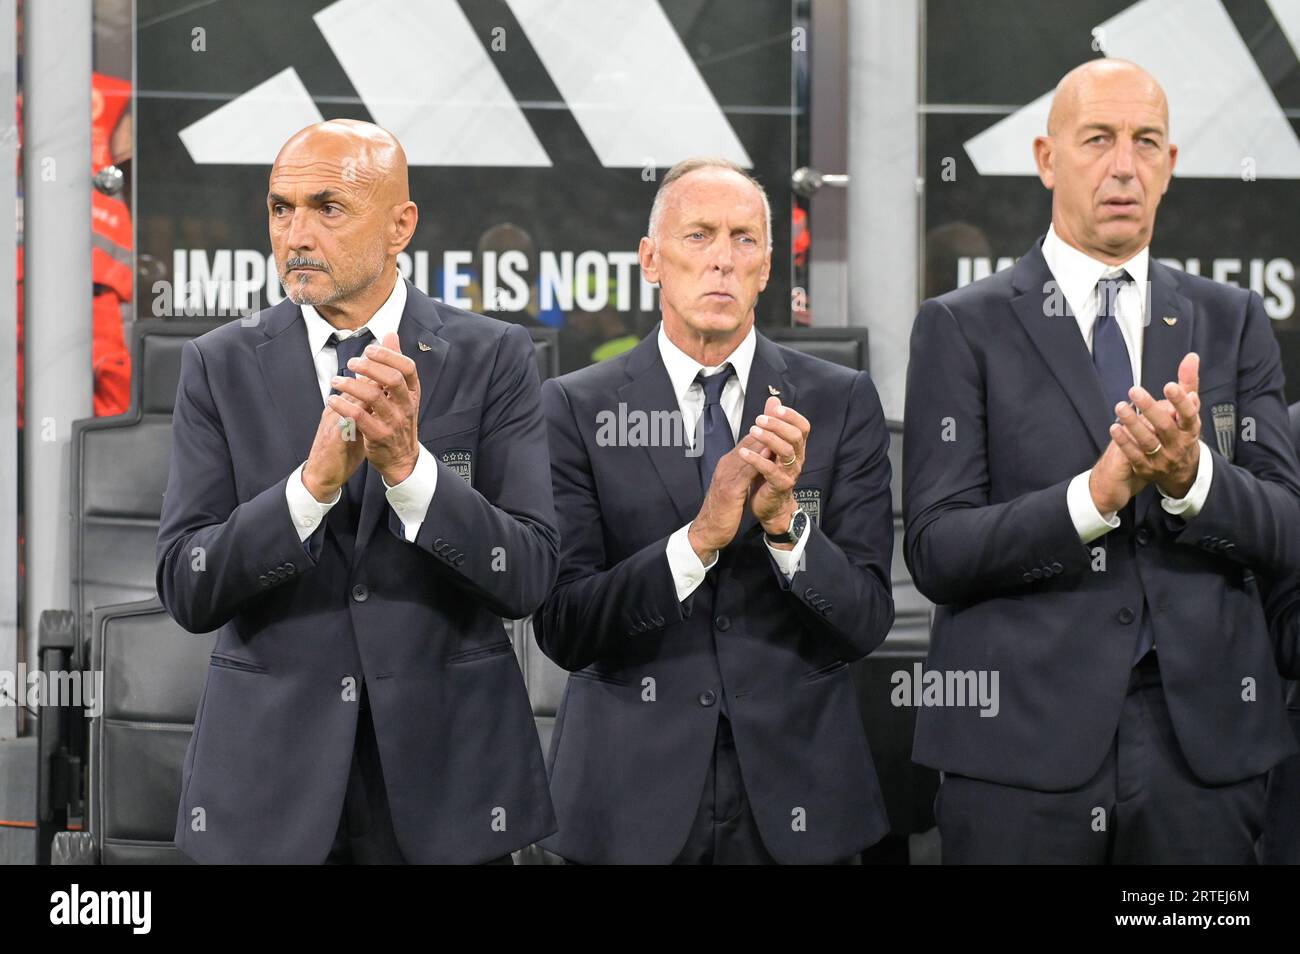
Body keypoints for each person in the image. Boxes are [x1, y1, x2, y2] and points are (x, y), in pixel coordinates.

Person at [904, 59, 1300, 863]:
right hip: (1021, 757)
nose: (1124, 165)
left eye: (1145, 141)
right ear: (1048, 158)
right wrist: (1091, 497)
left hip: (1202, 762)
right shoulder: (961, 326)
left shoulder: (1231, 320)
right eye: (1098, 140)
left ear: (1170, 167)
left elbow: (1287, 526)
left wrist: (1194, 482)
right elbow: (937, 550)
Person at [155, 119, 558, 863]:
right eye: (281, 208)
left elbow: (528, 575)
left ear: (400, 225)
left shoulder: (494, 357)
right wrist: (307, 492)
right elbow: (189, 584)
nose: (297, 234)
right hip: (271, 789)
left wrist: (410, 470)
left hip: (449, 780)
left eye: (327, 207)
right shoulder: (218, 364)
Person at [535, 157, 895, 864]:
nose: (723, 262)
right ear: (651, 260)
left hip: (800, 796)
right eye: (699, 236)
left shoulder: (841, 400)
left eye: (744, 240)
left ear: (767, 269)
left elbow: (865, 621)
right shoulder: (575, 409)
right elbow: (565, 629)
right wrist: (698, 540)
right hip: (627, 800)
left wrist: (788, 525)